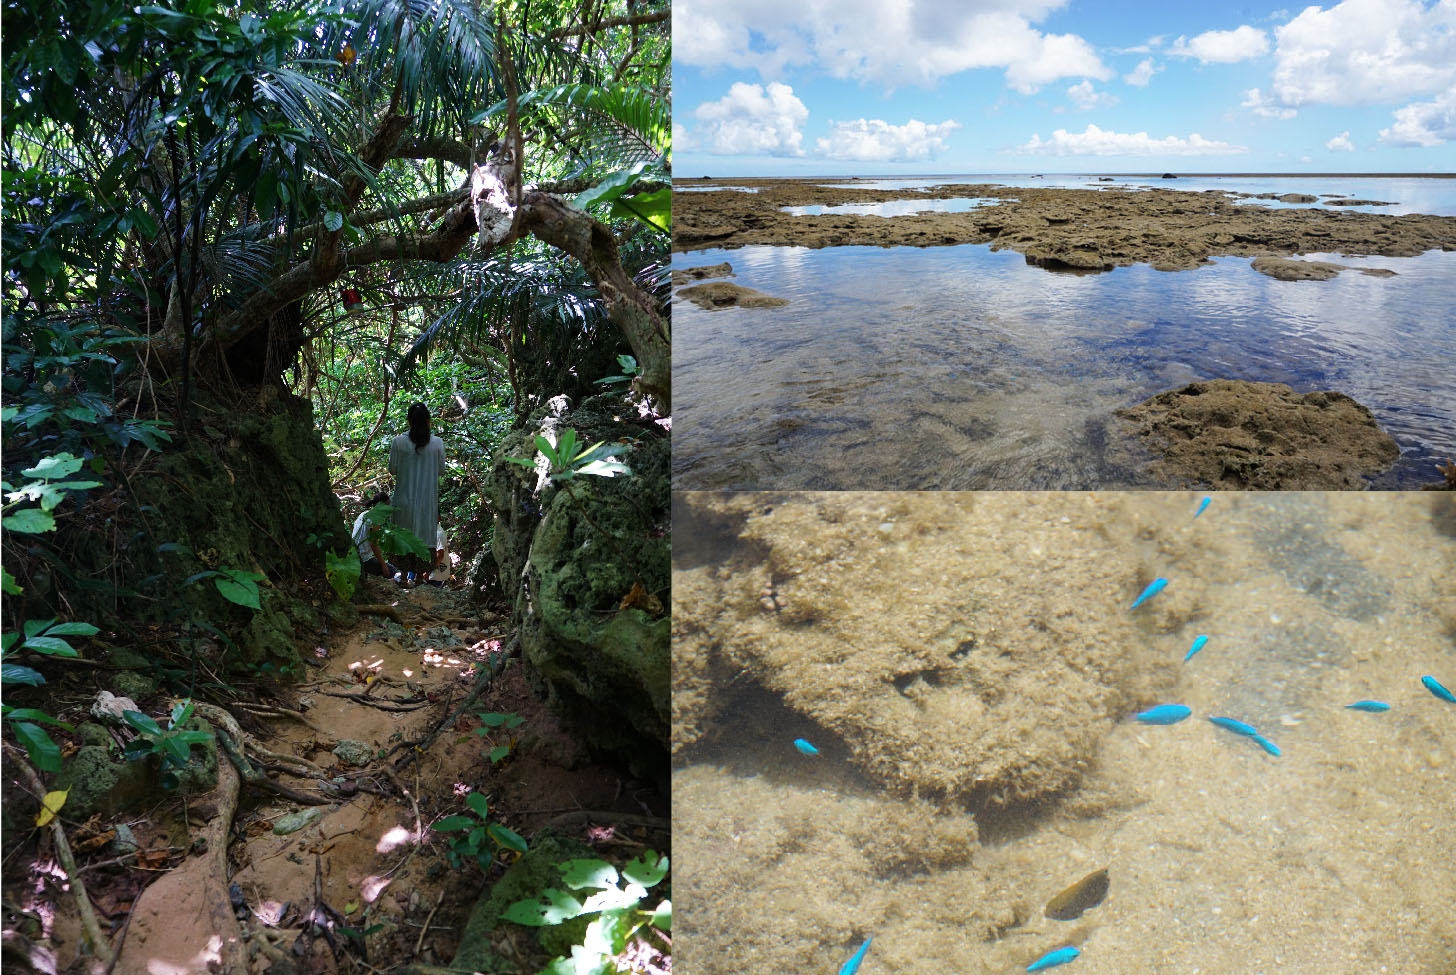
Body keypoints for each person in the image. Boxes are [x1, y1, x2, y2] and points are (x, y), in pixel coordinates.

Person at [388, 402, 445, 583]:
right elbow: (441, 470)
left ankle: (404, 577)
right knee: (423, 537)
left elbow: (393, 469)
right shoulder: (437, 443)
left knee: (405, 536)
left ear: (409, 421)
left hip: (404, 500)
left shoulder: (398, 442)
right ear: (428, 421)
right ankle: (420, 578)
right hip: (426, 501)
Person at [352, 492, 397, 580]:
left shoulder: (363, 514)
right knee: (393, 572)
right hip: (364, 559)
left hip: (354, 554)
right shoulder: (376, 520)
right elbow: (374, 545)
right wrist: (384, 565)